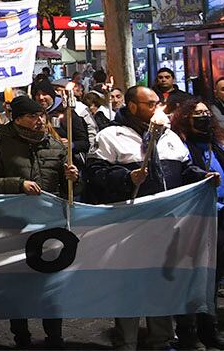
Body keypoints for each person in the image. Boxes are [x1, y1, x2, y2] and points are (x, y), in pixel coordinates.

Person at [85, 86, 218, 350]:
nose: (156, 109)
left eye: (158, 104)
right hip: (128, 225)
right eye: (149, 104)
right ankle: (127, 340)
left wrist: (201, 177)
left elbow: (184, 168)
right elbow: (95, 173)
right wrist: (126, 178)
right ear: (132, 106)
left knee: (161, 281)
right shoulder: (111, 136)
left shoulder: (169, 136)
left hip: (166, 225)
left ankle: (162, 338)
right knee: (129, 283)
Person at [0, 95, 79, 349]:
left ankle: (55, 336)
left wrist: (74, 177)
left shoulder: (55, 146)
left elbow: (73, 189)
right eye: (33, 116)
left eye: (41, 116)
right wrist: (18, 185)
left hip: (48, 226)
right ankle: (21, 336)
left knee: (50, 283)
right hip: (12, 226)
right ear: (18, 119)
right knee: (16, 284)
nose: (40, 121)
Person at [168, 98, 224, 350]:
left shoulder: (217, 145)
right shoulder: (181, 147)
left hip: (220, 219)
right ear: (186, 118)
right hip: (196, 219)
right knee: (192, 276)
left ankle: (208, 327)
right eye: (197, 113)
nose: (203, 117)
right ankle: (187, 330)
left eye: (205, 113)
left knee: (212, 277)